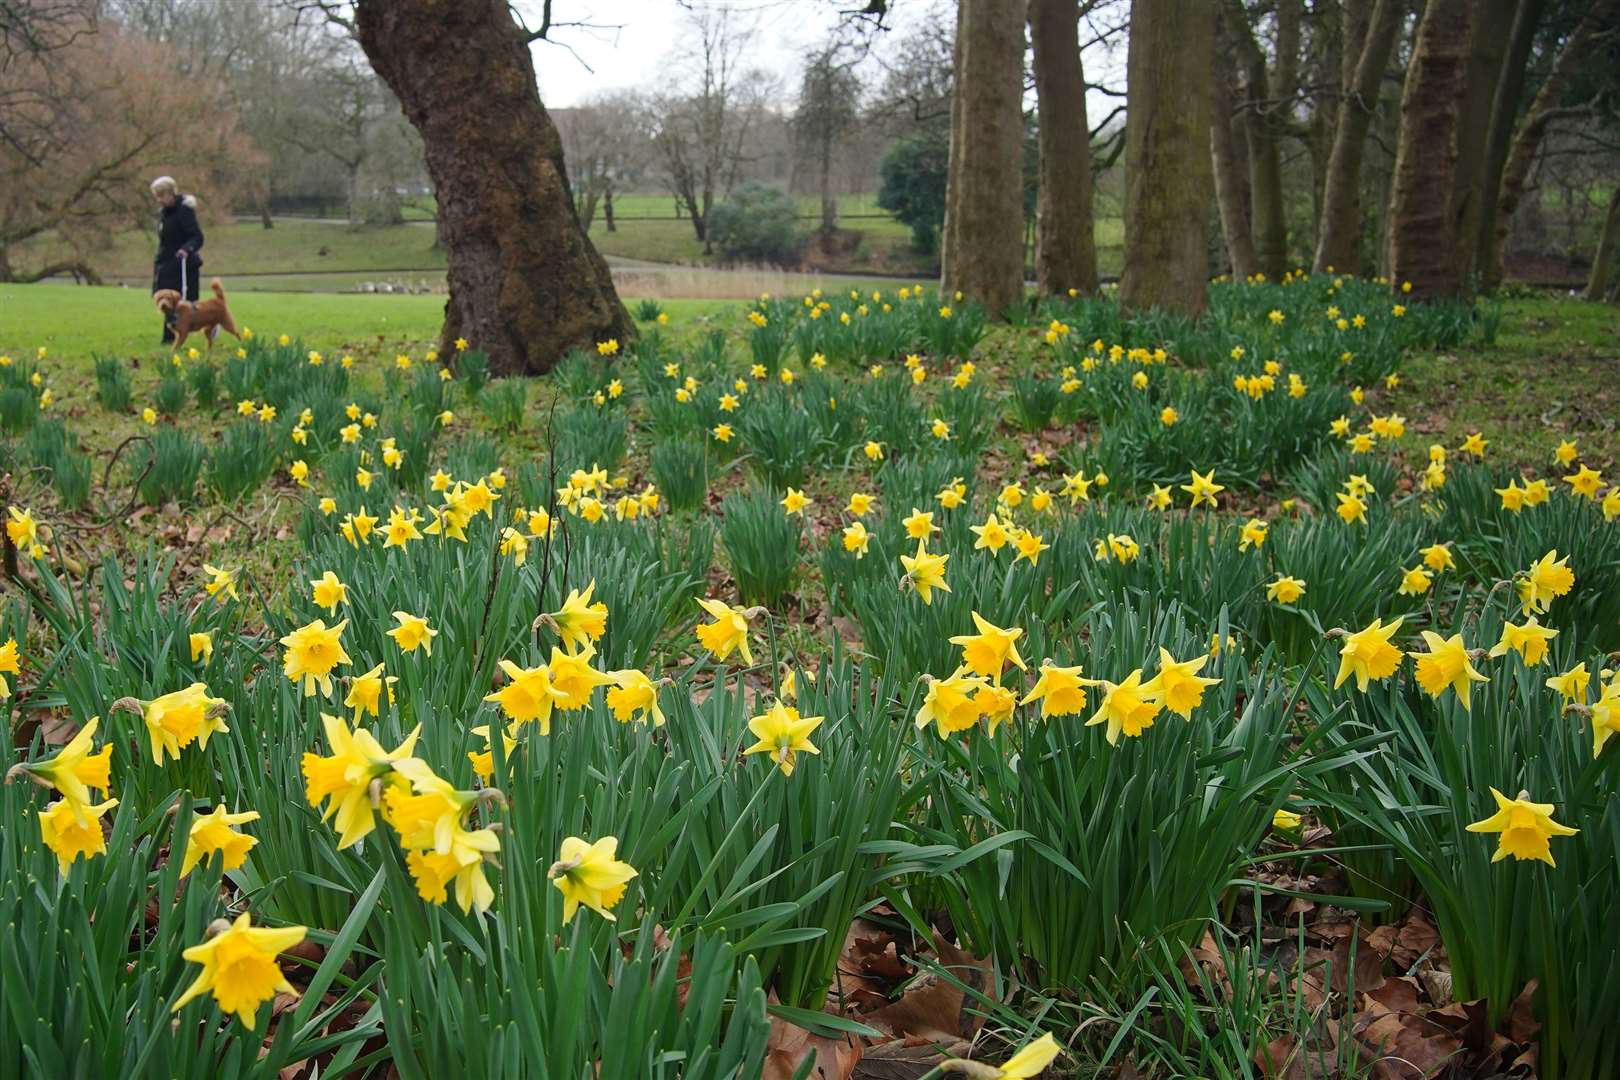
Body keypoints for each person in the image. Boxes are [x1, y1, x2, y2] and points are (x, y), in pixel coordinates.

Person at [150, 176, 205, 345]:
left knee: (184, 302)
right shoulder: (163, 214)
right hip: (166, 263)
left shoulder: (184, 211)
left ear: (171, 193)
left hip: (183, 263)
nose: (159, 200)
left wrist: (186, 249)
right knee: (166, 300)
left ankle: (206, 326)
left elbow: (197, 236)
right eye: (157, 196)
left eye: (162, 195)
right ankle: (168, 337)